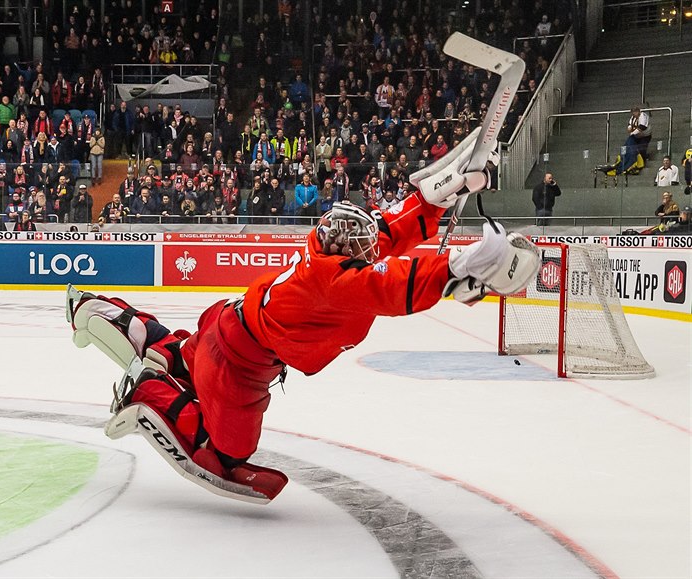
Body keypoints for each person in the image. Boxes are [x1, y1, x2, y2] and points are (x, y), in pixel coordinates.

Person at [63, 127, 540, 504]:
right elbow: (393, 282)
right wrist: (460, 268)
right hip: (239, 367)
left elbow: (388, 230)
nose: (370, 246)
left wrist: (447, 189)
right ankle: (147, 392)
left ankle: (109, 315)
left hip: (226, 324)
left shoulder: (326, 252)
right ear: (343, 250)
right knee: (225, 454)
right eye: (361, 245)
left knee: (183, 355)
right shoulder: (335, 280)